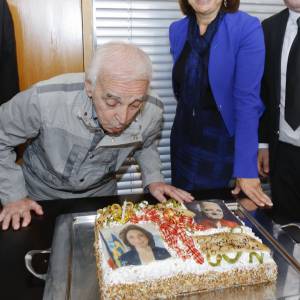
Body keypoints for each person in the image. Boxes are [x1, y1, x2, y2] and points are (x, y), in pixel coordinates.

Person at [0, 42, 194, 231]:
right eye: (111, 102)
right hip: (38, 196)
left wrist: (154, 179)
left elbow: (146, 144)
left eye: (135, 104)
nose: (123, 118)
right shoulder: (44, 99)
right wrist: (14, 196)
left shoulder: (153, 109)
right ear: (89, 87)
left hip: (101, 197)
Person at [169, 0, 273, 208]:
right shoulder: (177, 29)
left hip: (221, 146)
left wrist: (245, 168)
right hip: (184, 141)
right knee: (183, 213)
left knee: (215, 220)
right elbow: (184, 88)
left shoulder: (246, 28)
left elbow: (247, 102)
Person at [258, 0, 300, 222]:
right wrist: (263, 143)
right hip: (282, 153)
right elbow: (265, 90)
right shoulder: (270, 28)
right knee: (286, 228)